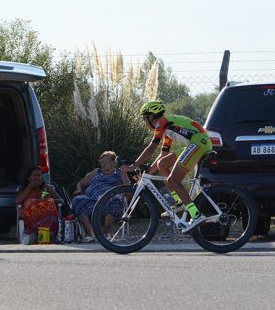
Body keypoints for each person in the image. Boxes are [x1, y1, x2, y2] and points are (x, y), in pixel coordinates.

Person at [122, 100, 213, 233]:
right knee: (162, 164)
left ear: (151, 116)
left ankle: (196, 215)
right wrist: (147, 173)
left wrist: (134, 165)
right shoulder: (167, 128)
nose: (144, 121)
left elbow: (151, 149)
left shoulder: (162, 123)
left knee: (173, 180)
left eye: (144, 118)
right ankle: (178, 203)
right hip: (197, 142)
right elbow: (162, 155)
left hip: (199, 142)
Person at [71, 151, 130, 241]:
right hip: (91, 199)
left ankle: (105, 234)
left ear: (114, 163)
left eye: (106, 161)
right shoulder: (96, 171)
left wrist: (124, 173)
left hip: (109, 199)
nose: (103, 164)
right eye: (101, 162)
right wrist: (79, 190)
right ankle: (89, 233)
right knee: (77, 199)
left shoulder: (119, 173)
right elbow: (81, 183)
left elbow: (127, 187)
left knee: (116, 199)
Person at [14, 167, 63, 242]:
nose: (37, 177)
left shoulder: (46, 188)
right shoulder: (23, 189)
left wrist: (48, 200)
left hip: (46, 216)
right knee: (31, 202)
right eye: (34, 175)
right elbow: (17, 202)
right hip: (29, 216)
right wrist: (30, 187)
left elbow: (61, 201)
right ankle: (41, 237)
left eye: (39, 175)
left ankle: (44, 238)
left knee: (48, 202)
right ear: (29, 178)